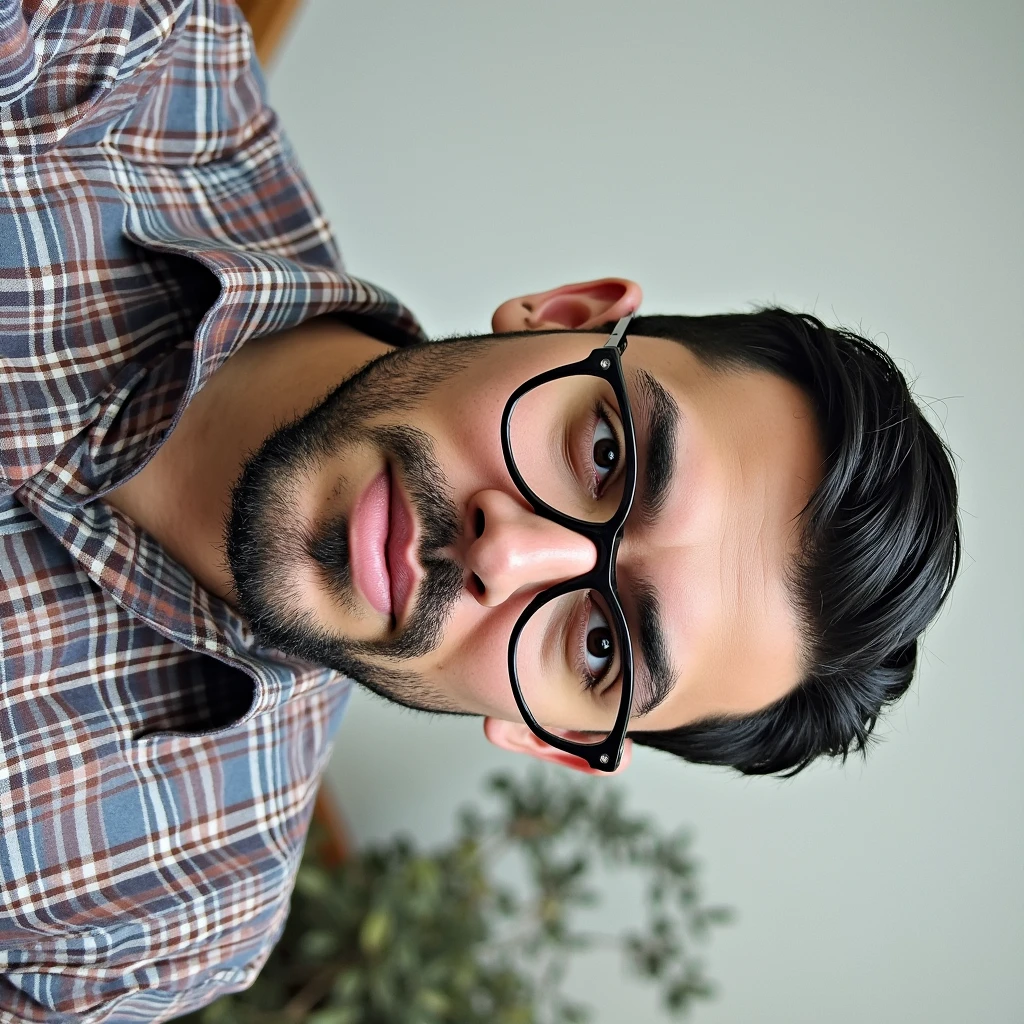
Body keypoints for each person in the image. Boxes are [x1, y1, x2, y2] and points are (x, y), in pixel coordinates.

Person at [0, 0, 961, 1020]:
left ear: (548, 737)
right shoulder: (120, 55)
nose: (512, 549)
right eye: (603, 453)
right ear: (565, 316)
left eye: (599, 645)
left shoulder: (153, 928)